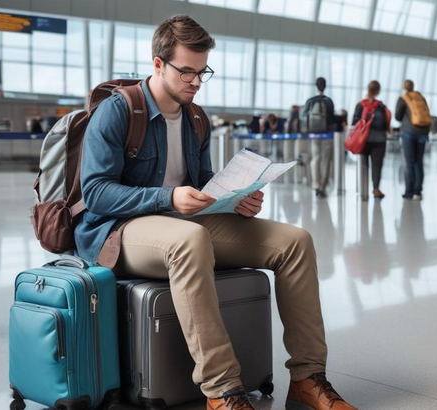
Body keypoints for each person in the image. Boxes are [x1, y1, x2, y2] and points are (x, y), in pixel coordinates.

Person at [75, 15, 360, 410]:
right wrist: (169, 198)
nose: (195, 81)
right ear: (158, 64)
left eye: (202, 71)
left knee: (295, 242)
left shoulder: (195, 117)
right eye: (186, 71)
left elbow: (204, 181)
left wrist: (236, 200)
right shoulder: (119, 112)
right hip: (119, 233)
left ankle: (308, 379)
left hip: (180, 223)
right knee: (190, 240)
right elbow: (97, 193)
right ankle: (223, 391)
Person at [351, 80, 390, 199]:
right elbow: (385, 124)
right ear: (378, 91)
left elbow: (354, 122)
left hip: (363, 140)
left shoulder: (361, 104)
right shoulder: (381, 106)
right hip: (379, 141)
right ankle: (376, 188)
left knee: (363, 165)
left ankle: (363, 190)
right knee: (377, 165)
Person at [395, 80, 431, 201]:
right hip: (422, 132)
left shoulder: (403, 98)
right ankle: (418, 191)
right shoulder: (421, 97)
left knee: (409, 162)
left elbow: (397, 116)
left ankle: (409, 191)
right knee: (419, 162)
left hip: (408, 133)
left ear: (405, 87)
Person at [301, 77, 335, 198]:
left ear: (316, 86)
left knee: (316, 158)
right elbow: (332, 118)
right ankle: (322, 186)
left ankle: (315, 184)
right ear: (325, 86)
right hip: (327, 135)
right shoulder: (328, 101)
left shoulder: (310, 101)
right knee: (326, 160)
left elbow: (303, 116)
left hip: (314, 134)